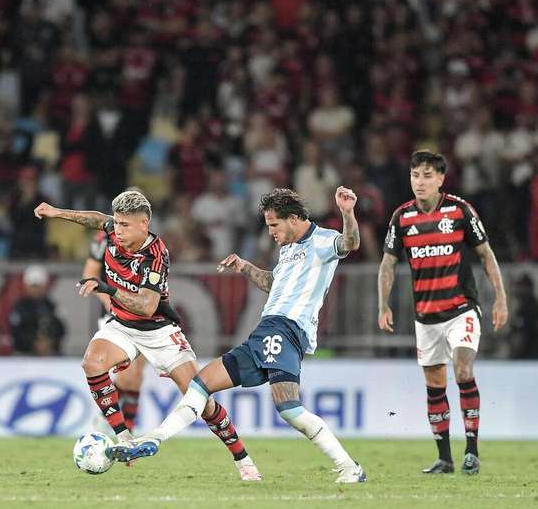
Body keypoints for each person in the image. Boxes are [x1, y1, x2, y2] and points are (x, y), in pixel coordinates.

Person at [106, 187, 367, 485]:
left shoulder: (323, 241)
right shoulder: (288, 249)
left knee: (289, 408)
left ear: (294, 219)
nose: (270, 232)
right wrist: (244, 266)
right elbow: (274, 283)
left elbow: (350, 243)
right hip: (266, 329)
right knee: (202, 382)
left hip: (286, 328)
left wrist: (347, 213)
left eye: (274, 225)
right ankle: (154, 439)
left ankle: (349, 467)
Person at [34, 191, 262, 481]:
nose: (117, 230)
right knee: (92, 363)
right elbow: (97, 219)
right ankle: (124, 436)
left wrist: (106, 288)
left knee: (201, 399)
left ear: (144, 224)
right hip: (122, 326)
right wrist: (57, 212)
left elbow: (146, 306)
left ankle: (243, 459)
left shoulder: (156, 255)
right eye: (117, 223)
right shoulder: (113, 231)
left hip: (159, 331)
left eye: (125, 225)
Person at [377, 150, 508, 475]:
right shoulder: (402, 217)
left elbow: (486, 254)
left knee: (462, 371)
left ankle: (472, 451)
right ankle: (445, 459)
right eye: (414, 176)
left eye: (426, 176)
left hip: (461, 309)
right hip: (426, 317)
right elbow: (387, 264)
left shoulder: (460, 210)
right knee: (435, 386)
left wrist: (500, 298)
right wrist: (383, 304)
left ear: (440, 179)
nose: (419, 182)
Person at [83, 228, 146, 432]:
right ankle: (110, 422)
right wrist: (109, 302)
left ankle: (129, 432)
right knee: (127, 375)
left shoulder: (149, 241)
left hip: (142, 315)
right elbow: (89, 274)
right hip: (115, 315)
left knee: (136, 377)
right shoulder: (103, 238)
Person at [9, 265, 66, 355]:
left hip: (50, 354)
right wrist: (33, 343)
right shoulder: (19, 307)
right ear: (26, 286)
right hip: (24, 354)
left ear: (45, 286)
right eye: (33, 286)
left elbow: (61, 329)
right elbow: (15, 332)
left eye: (39, 286)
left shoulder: (52, 306)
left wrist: (49, 342)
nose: (36, 289)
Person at [507, 273, 538, 360]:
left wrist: (514, 355)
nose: (517, 290)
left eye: (520, 287)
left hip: (534, 356)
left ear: (528, 288)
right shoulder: (523, 308)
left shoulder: (532, 309)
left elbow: (523, 335)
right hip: (529, 356)